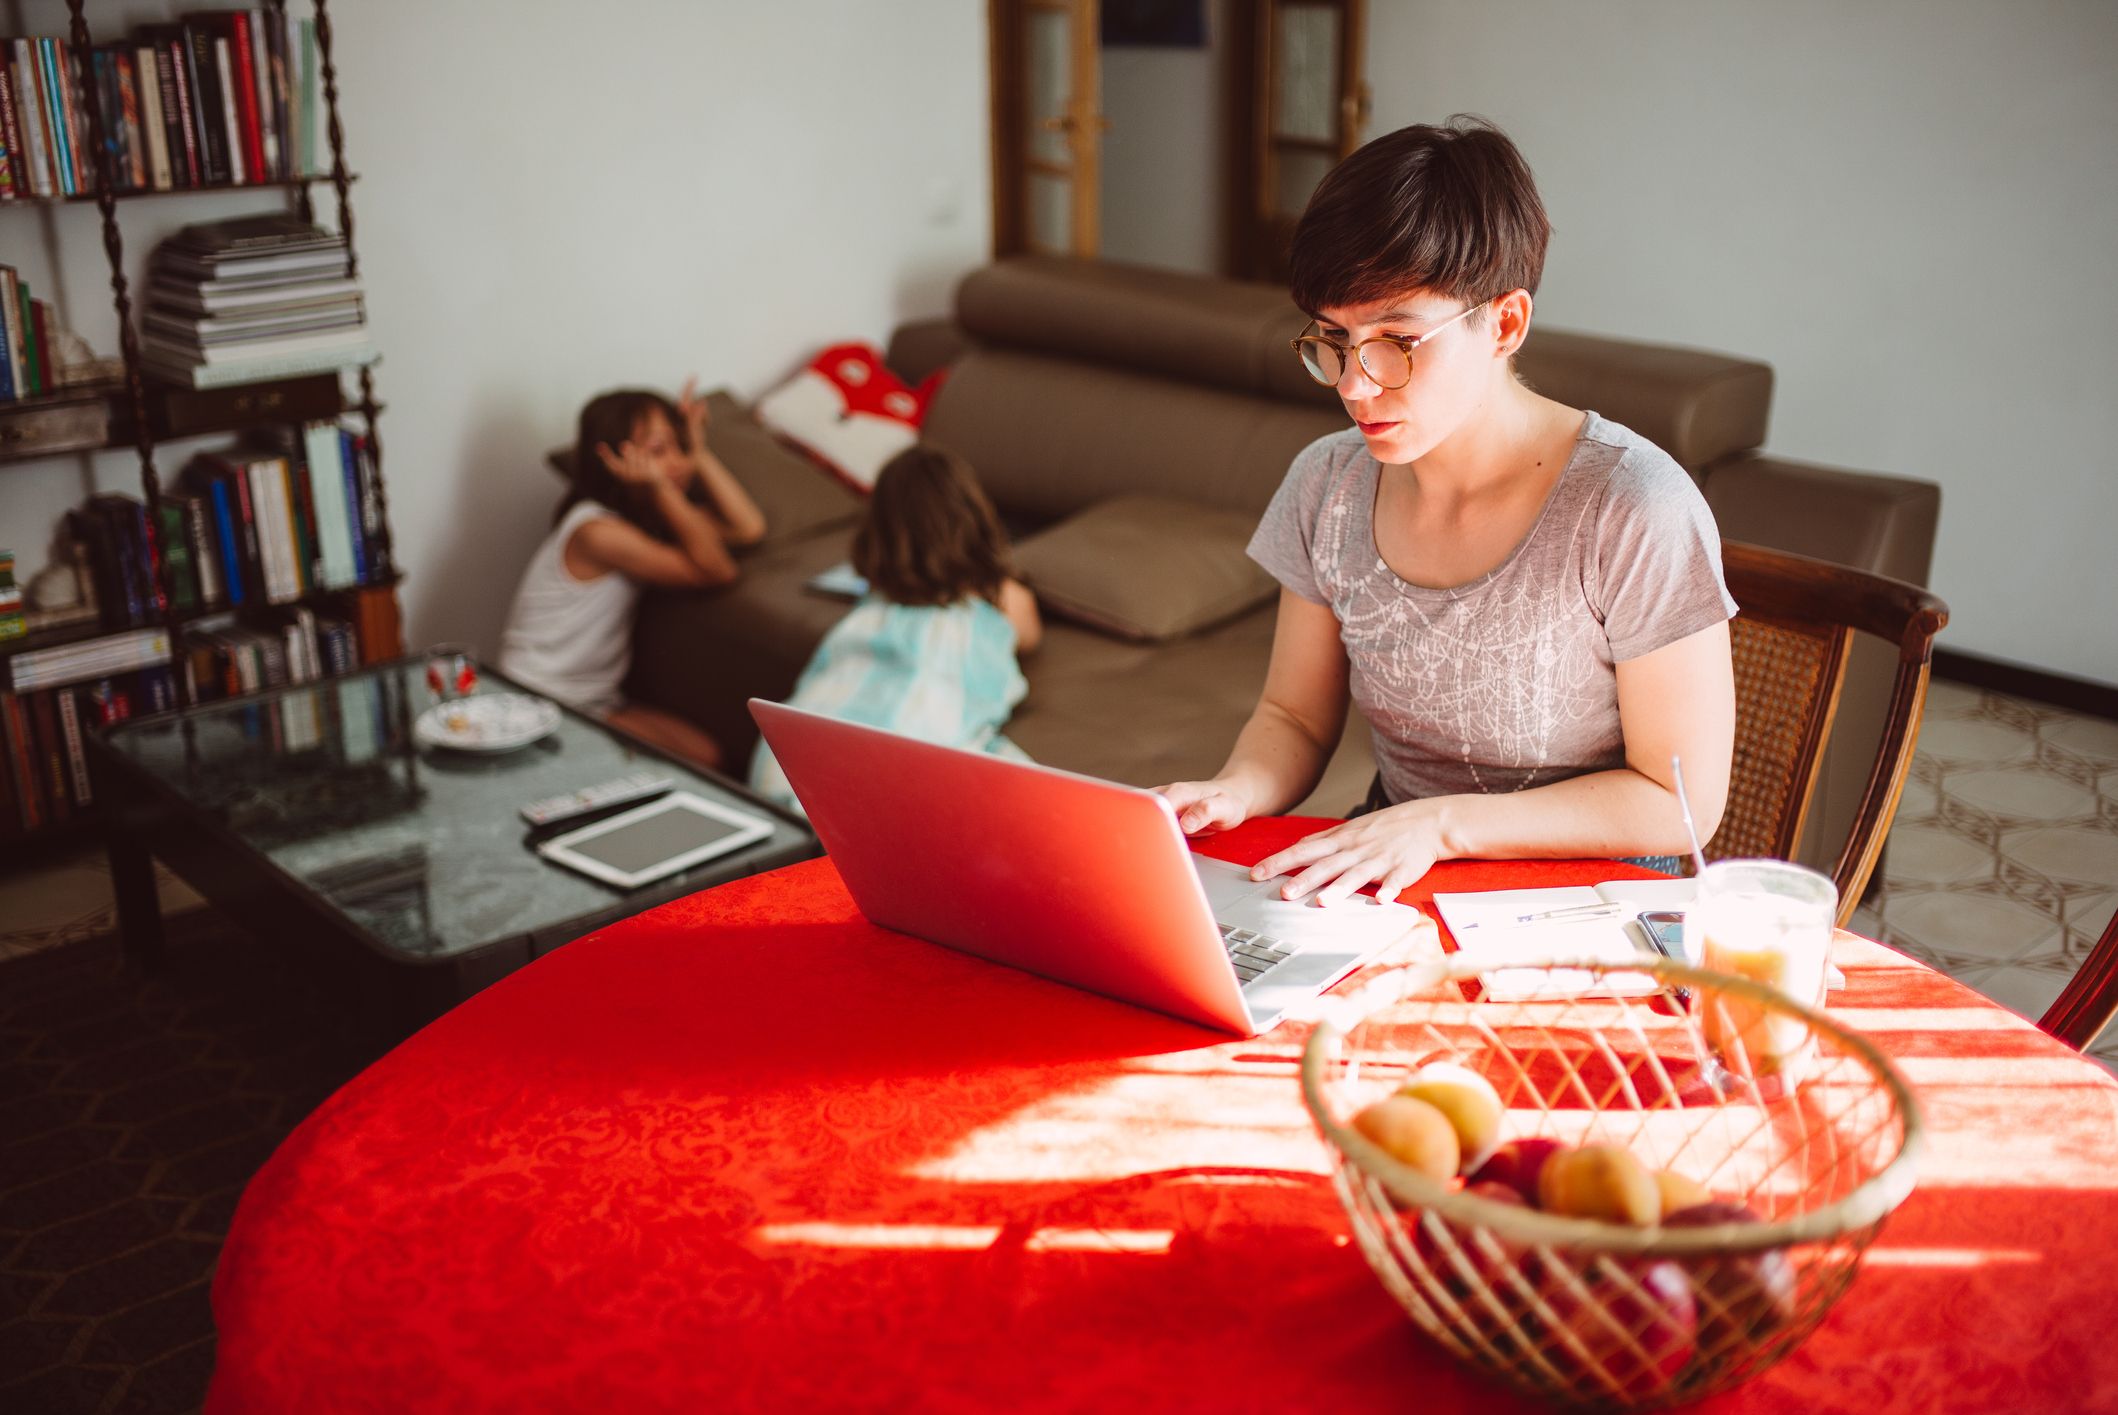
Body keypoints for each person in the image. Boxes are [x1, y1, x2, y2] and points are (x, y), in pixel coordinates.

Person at [1157, 116, 1738, 905]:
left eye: (1396, 339)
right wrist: (1235, 789)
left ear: (1504, 323)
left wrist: (1441, 825)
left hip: (1595, 896)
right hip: (1400, 868)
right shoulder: (1328, 485)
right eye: (1333, 339)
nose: (1354, 385)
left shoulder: (1631, 507)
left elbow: (1682, 803)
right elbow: (1291, 715)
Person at [749, 444, 1041, 814]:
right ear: (974, 518)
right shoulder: (1001, 596)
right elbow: (1028, 636)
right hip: (892, 775)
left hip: (783, 767)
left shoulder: (877, 596)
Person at [498, 380, 766, 769]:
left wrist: (700, 453)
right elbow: (717, 571)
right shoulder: (596, 531)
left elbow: (747, 528)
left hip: (596, 699)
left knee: (709, 754)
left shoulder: (652, 520)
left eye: (679, 446)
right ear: (612, 459)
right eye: (659, 450)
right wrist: (661, 488)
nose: (676, 462)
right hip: (541, 698)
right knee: (701, 759)